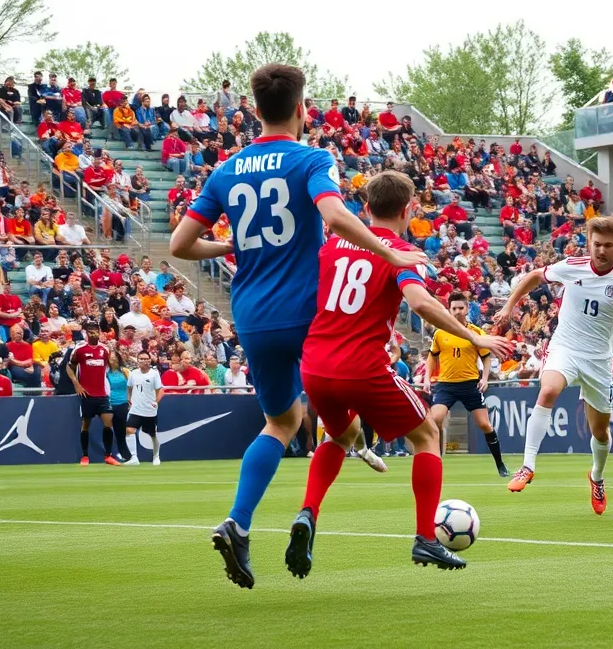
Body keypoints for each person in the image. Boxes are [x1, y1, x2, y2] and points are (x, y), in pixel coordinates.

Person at [170, 64, 426, 589]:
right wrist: (387, 251)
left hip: (253, 315)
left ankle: (239, 523)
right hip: (313, 314)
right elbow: (333, 216)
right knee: (341, 410)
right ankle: (350, 457)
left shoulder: (226, 171)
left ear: (255, 109)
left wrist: (236, 244)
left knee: (282, 424)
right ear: (302, 109)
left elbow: (180, 246)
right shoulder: (312, 158)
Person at [285, 171, 512, 577]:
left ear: (366, 209)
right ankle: (426, 538)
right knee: (426, 434)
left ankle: (308, 512)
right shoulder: (401, 251)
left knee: (342, 435)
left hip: (315, 365)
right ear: (409, 210)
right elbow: (421, 304)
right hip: (362, 365)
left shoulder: (332, 244)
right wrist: (475, 339)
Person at [499, 215, 613, 514]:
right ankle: (527, 465)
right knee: (547, 392)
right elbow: (534, 276)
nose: (601, 250)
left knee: (600, 433)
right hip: (565, 348)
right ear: (589, 243)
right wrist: (508, 306)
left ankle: (596, 476)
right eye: (597, 244)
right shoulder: (572, 266)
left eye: (608, 245)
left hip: (598, 362)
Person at [421, 291, 509, 478]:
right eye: (454, 308)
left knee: (485, 424)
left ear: (467, 309)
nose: (458, 311)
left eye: (461, 308)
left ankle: (500, 463)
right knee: (435, 419)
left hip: (470, 385)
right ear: (449, 310)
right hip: (446, 385)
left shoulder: (476, 333)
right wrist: (427, 378)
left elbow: (485, 357)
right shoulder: (440, 333)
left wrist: (484, 378)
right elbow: (432, 356)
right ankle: (435, 463)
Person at [66, 320, 120, 466]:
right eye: (89, 331)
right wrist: (77, 385)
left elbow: (112, 367)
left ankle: (108, 456)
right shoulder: (80, 349)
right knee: (86, 425)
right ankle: (85, 456)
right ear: (86, 333)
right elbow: (69, 367)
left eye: (95, 330)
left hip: (102, 394)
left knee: (108, 423)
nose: (93, 333)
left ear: (99, 332)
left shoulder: (105, 350)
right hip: (87, 394)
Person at [126, 350, 163, 466]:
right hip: (136, 408)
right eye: (141, 359)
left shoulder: (154, 374)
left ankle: (156, 456)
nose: (143, 361)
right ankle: (134, 457)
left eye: (145, 359)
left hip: (149, 410)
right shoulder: (133, 373)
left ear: (149, 360)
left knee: (153, 434)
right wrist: (130, 400)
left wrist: (156, 402)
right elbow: (129, 387)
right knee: (129, 430)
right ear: (137, 361)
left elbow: (160, 390)